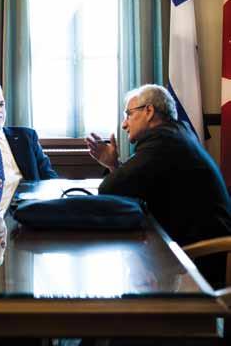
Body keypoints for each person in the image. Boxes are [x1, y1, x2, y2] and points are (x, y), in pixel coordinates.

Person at [86, 84, 231, 286]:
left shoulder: (164, 142)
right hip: (192, 246)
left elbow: (108, 189)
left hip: (203, 258)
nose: (124, 124)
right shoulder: (176, 132)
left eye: (129, 114)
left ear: (149, 111)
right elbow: (128, 186)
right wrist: (113, 165)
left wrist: (114, 168)